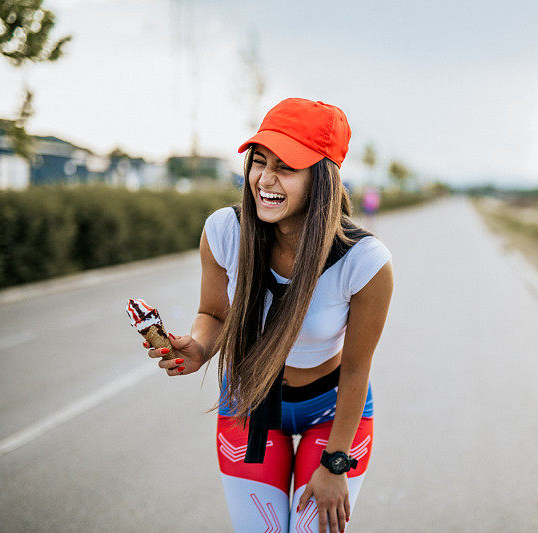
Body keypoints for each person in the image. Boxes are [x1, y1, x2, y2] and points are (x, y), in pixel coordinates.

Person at [144, 98, 394, 533]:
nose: (266, 179)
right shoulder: (225, 231)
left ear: (322, 180)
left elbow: (356, 370)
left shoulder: (365, 262)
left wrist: (336, 464)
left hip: (332, 410)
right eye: (260, 162)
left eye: (287, 167)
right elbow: (213, 314)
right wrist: (200, 348)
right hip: (250, 399)